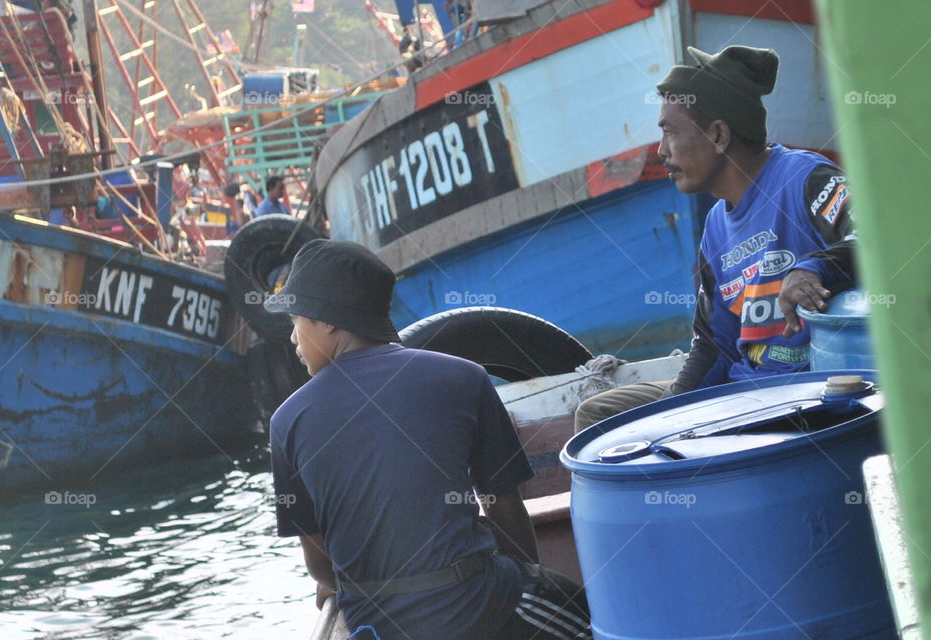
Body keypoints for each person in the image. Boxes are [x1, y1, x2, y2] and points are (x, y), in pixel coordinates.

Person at [266, 239, 591, 640]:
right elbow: (507, 514)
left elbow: (320, 566)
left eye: (296, 320)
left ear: (329, 320)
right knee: (597, 617)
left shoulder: (286, 422)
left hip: (377, 626)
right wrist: (521, 587)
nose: (293, 339)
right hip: (476, 607)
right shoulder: (465, 377)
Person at [575, 45, 856, 432]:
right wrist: (673, 413)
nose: (660, 151)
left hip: (800, 400)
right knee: (598, 417)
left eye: (670, 133)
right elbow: (715, 343)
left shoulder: (805, 179)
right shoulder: (715, 228)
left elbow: (878, 242)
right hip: (739, 394)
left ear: (719, 134)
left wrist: (814, 269)